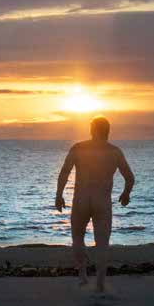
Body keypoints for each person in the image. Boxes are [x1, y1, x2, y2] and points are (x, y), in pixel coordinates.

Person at [55, 116, 135, 292]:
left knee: (77, 238)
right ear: (108, 131)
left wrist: (59, 195)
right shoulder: (114, 152)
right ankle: (99, 282)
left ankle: (83, 276)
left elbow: (64, 172)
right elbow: (130, 178)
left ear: (92, 130)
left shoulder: (78, 148)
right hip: (102, 201)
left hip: (81, 199)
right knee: (102, 243)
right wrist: (126, 193)